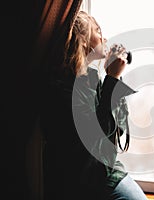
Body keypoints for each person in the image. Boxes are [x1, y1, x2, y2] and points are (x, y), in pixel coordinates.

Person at [40, 10, 148, 200]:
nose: (104, 38)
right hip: (80, 177)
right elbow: (95, 138)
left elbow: (118, 129)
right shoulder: (61, 88)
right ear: (82, 40)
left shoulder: (92, 79)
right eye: (97, 31)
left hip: (103, 170)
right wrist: (112, 79)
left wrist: (113, 80)